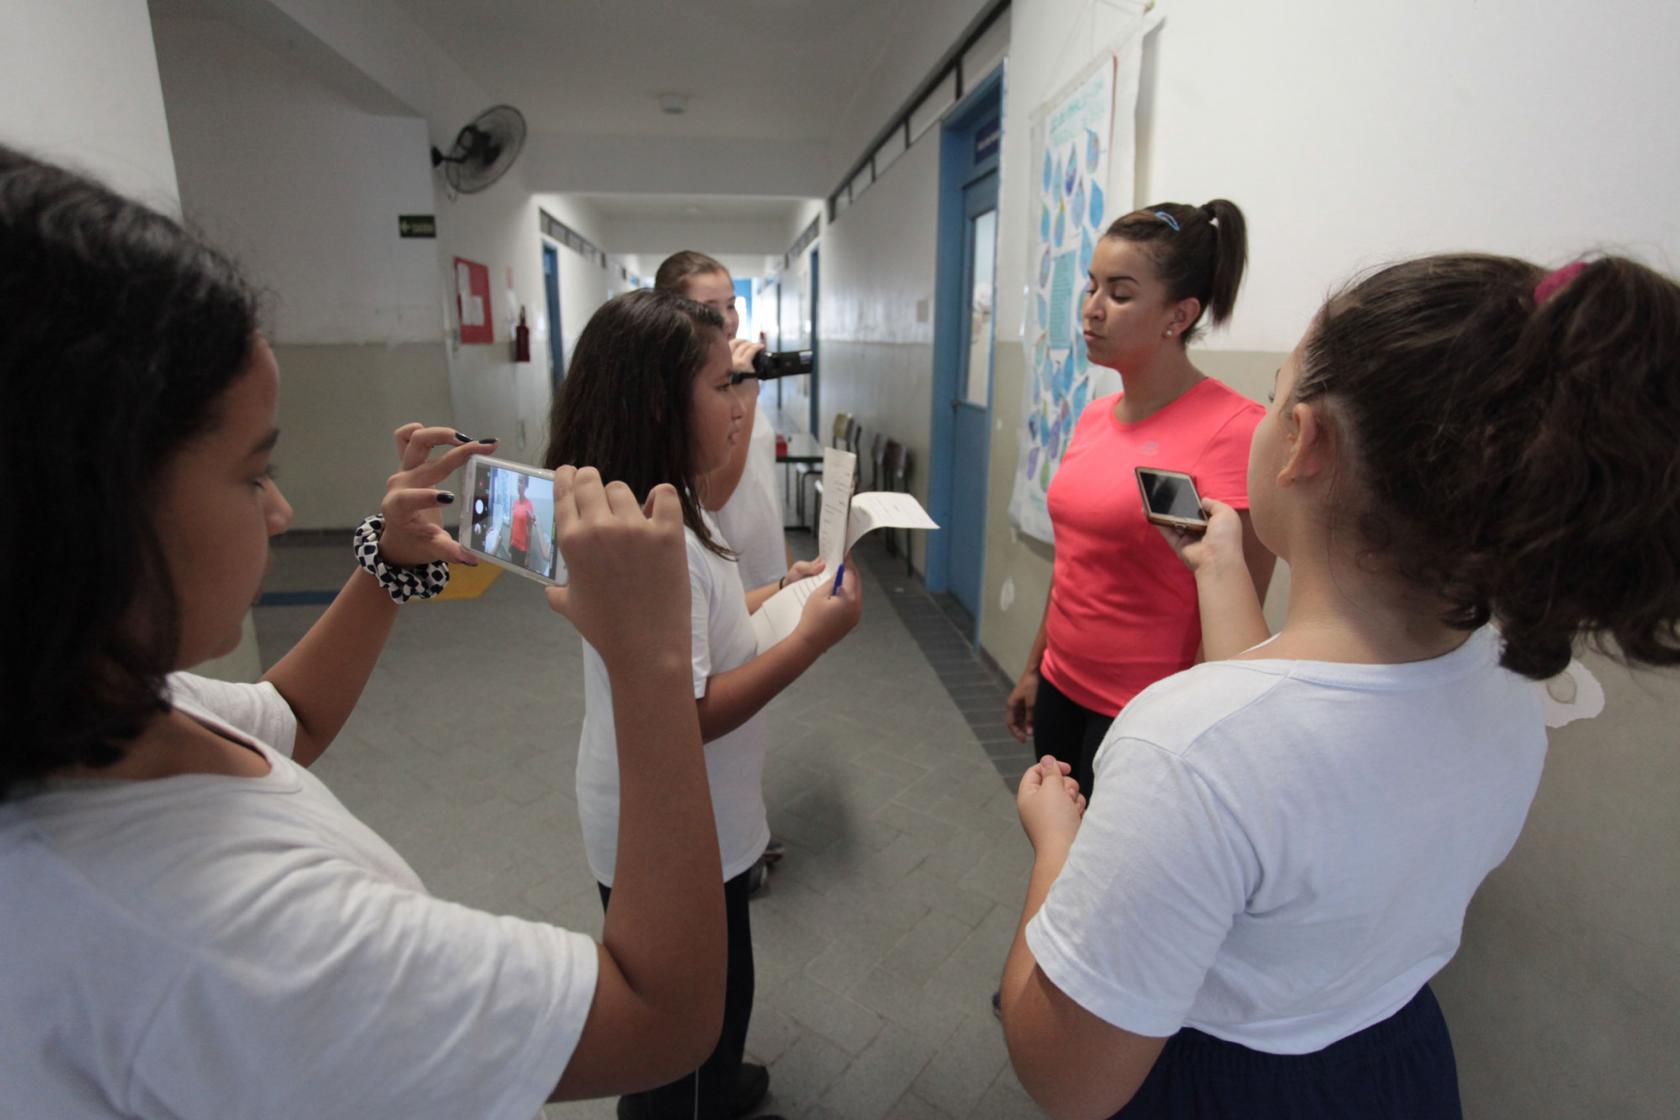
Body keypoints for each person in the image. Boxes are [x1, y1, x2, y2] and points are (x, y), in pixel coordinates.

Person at [0, 146, 730, 1118]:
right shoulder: (227, 941)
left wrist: (387, 568)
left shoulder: (91, 706)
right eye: (252, 471)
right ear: (88, 509)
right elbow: (660, 1014)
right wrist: (649, 658)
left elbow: (284, 717)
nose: (279, 508)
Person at [1000, 252, 1680, 1117]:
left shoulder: (1182, 748)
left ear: (1306, 440)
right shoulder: (1508, 682)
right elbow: (1281, 723)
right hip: (1394, 1058)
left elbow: (1068, 1080)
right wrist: (1220, 571)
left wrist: (1058, 842)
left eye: (1278, 391)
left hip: (1222, 1083)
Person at [544, 288, 863, 1120]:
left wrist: (774, 593)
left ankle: (718, 1083)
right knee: (678, 1036)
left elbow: (702, 627)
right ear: (660, 401)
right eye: (725, 385)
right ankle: (691, 1096)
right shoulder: (665, 541)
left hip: (698, 819)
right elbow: (684, 712)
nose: (741, 404)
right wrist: (809, 640)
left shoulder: (659, 510)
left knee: (725, 988)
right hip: (672, 823)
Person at [1004, 200, 1275, 806]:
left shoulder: (1234, 429)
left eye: (1120, 294)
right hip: (1060, 688)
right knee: (1057, 856)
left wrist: (1192, 740)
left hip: (1145, 716)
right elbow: (1073, 562)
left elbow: (1237, 609)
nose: (1092, 309)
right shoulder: (1096, 416)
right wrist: (1033, 667)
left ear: (1178, 316)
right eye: (1092, 286)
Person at [655, 249, 792, 880]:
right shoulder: (714, 391)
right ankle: (730, 843)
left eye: (732, 304)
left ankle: (745, 826)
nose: (729, 321)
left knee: (749, 715)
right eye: (710, 309)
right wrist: (746, 392)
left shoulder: (729, 377)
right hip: (718, 559)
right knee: (725, 699)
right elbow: (715, 489)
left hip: (755, 558)